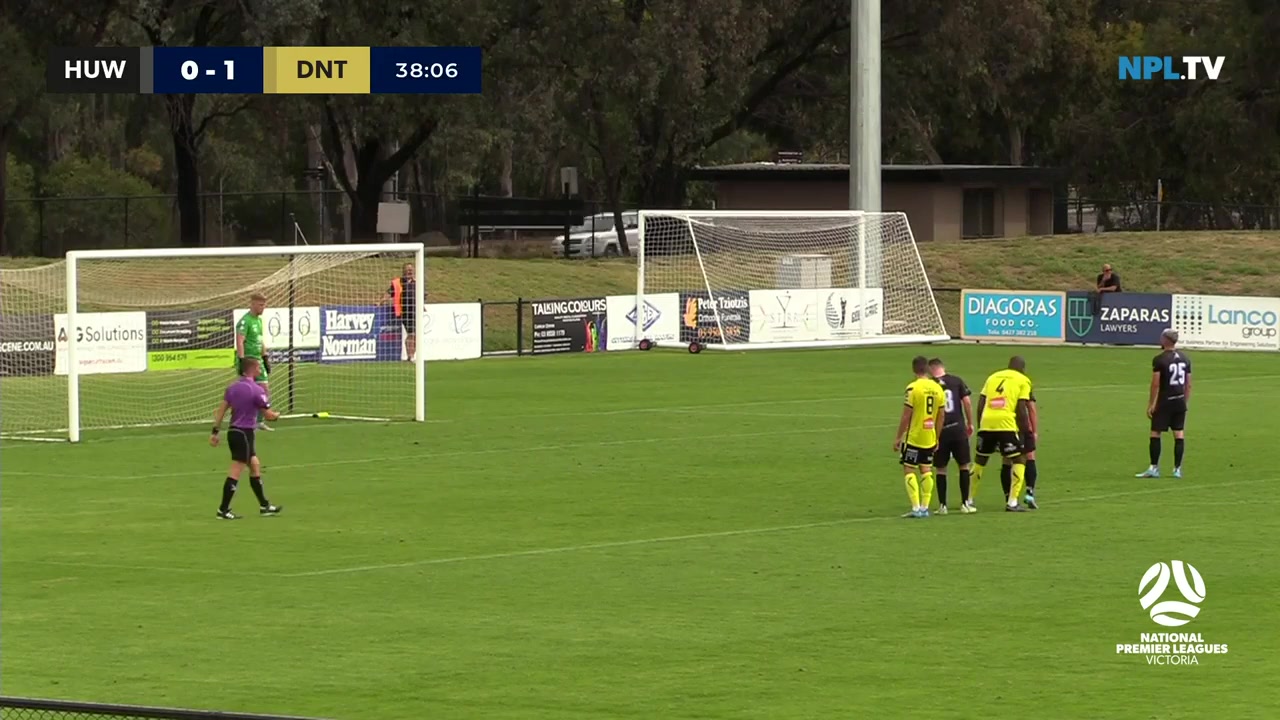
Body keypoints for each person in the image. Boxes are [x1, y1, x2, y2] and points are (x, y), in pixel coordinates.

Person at [210, 357, 282, 519]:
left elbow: (221, 411)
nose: (260, 370)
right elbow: (268, 415)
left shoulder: (232, 388)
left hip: (234, 432)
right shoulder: (257, 390)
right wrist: (277, 415)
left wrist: (215, 432)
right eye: (258, 368)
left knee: (255, 465)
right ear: (253, 368)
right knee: (236, 470)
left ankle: (264, 506)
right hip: (244, 433)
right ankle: (223, 510)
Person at [971, 356, 1034, 513]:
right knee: (1019, 458)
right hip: (1006, 423)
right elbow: (1021, 408)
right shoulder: (1023, 380)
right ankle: (1012, 502)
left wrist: (981, 426)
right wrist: (1026, 431)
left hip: (987, 422)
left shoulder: (992, 377)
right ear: (1023, 369)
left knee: (980, 460)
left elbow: (980, 403)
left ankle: (968, 499)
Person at [895, 355, 947, 518]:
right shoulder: (938, 388)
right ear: (927, 369)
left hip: (915, 436)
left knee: (909, 468)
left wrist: (898, 437)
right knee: (926, 469)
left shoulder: (913, 388)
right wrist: (937, 437)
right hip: (929, 437)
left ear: (914, 370)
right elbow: (941, 416)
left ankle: (916, 507)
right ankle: (925, 507)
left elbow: (906, 415)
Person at [1136, 329, 1191, 478]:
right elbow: (1188, 384)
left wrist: (1151, 404)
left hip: (1165, 401)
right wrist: (1184, 402)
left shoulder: (1160, 359)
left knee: (1155, 432)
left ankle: (1154, 468)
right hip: (1179, 400)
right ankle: (1177, 469)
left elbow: (1155, 384)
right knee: (1178, 433)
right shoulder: (1185, 359)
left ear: (1165, 340)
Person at [928, 358, 974, 514]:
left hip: (940, 430)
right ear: (943, 367)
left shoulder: (929, 385)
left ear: (931, 369)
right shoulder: (956, 380)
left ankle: (942, 506)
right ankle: (965, 504)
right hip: (958, 428)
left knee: (941, 468)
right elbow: (967, 402)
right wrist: (970, 423)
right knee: (963, 465)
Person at [235, 293, 272, 431]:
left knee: (264, 389)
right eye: (260, 305)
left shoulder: (259, 321)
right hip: (249, 359)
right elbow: (240, 341)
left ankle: (258, 421)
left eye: (264, 305)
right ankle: (244, 420)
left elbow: (260, 340)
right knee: (247, 391)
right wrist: (242, 360)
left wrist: (265, 357)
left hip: (258, 359)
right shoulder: (245, 321)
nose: (263, 308)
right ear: (252, 304)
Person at [382, 263, 417, 361]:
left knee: (415, 335)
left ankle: (411, 355)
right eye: (408, 269)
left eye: (411, 269)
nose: (410, 271)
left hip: (416, 312)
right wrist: (380, 301)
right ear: (403, 271)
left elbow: (422, 296)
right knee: (412, 334)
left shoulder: (417, 282)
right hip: (405, 312)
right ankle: (410, 356)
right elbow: (389, 293)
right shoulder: (399, 282)